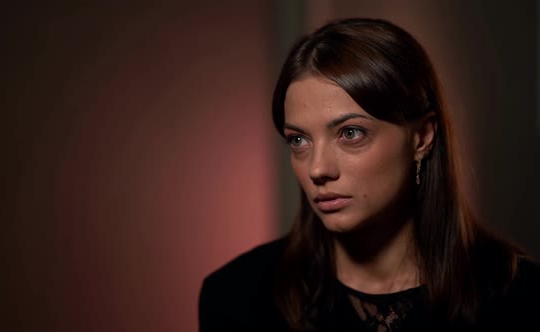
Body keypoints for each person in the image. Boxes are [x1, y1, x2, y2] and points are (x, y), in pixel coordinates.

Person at [198, 18, 540, 331]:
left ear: (421, 137)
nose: (317, 169)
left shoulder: (519, 299)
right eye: (299, 140)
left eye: (350, 133)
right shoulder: (236, 296)